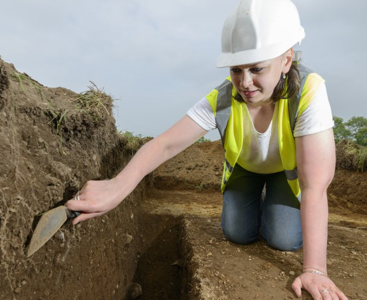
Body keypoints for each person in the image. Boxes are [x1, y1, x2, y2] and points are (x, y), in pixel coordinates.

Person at [66, 0, 348, 299]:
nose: (245, 82)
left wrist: (315, 269)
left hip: (285, 174)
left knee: (285, 239)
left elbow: (315, 185)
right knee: (238, 233)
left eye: (257, 68)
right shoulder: (224, 97)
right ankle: (256, 200)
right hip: (245, 172)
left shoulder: (309, 92)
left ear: (287, 60)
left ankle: (276, 203)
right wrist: (117, 186)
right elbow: (165, 144)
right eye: (236, 69)